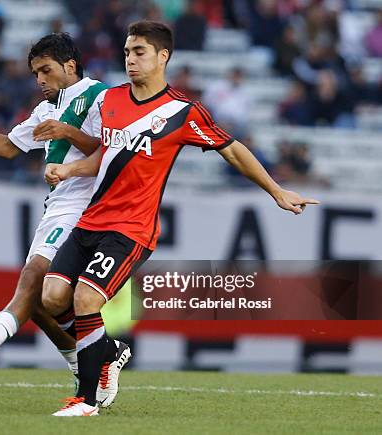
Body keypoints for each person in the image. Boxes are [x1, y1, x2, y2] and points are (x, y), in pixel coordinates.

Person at [42, 20, 320, 417]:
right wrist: (69, 170)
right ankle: (109, 352)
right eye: (126, 52)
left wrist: (277, 191)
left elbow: (233, 150)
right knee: (52, 298)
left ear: (163, 56)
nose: (130, 60)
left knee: (85, 298)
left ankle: (86, 401)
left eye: (139, 52)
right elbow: (107, 155)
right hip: (91, 220)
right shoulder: (110, 101)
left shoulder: (182, 111)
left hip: (132, 229)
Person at [0, 33, 129, 407]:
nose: (40, 80)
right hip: (57, 207)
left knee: (33, 276)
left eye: (46, 71)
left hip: (89, 204)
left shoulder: (101, 97)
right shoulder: (45, 109)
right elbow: (6, 146)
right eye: (35, 73)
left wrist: (68, 133)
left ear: (70, 66)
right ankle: (95, 363)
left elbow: (110, 151)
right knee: (39, 301)